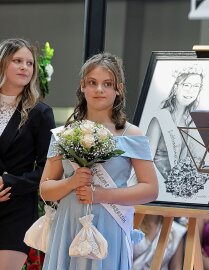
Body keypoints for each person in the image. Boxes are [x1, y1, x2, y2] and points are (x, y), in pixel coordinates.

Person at [40, 52, 158, 270]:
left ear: (118, 89)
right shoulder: (64, 134)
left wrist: (102, 195)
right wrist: (71, 183)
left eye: (107, 83)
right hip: (68, 225)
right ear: (83, 86)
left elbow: (150, 189)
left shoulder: (132, 135)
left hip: (110, 225)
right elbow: (45, 190)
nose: (99, 89)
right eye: (92, 83)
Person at [0, 38, 55, 270]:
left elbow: (48, 171)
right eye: (17, 61)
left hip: (17, 209)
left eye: (30, 63)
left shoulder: (40, 113)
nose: (25, 67)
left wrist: (7, 183)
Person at [146, 65, 209, 198]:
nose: (190, 91)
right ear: (176, 88)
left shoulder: (190, 122)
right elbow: (147, 161)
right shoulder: (160, 118)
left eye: (196, 86)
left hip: (175, 192)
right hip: (155, 188)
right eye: (186, 85)